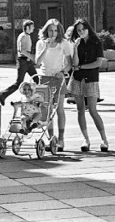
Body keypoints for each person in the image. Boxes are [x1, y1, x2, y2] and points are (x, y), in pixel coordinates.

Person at [70, 19, 109, 152]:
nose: (81, 32)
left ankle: (104, 139)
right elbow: (74, 64)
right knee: (80, 110)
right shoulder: (76, 43)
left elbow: (98, 63)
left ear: (88, 29)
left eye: (83, 29)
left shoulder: (96, 42)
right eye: (78, 30)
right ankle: (85, 139)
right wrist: (75, 48)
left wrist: (81, 66)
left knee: (92, 110)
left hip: (91, 78)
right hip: (77, 79)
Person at [35, 18, 72, 151]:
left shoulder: (63, 43)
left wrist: (62, 72)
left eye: (55, 30)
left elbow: (69, 63)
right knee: (47, 109)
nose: (53, 33)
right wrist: (45, 48)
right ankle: (51, 138)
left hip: (58, 77)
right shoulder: (40, 43)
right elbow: (37, 63)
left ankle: (61, 139)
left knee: (59, 109)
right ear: (46, 31)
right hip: (44, 78)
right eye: (50, 30)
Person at [0, 20, 38, 106]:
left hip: (27, 62)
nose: (33, 28)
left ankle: (37, 98)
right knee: (19, 82)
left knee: (37, 79)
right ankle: (3, 94)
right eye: (32, 27)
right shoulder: (23, 36)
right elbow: (22, 50)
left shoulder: (26, 36)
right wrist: (33, 57)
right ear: (27, 28)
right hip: (23, 61)